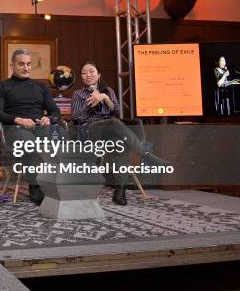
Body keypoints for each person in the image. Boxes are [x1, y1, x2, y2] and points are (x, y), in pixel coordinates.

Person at [71, 60, 169, 206]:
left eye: (91, 71)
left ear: (99, 74)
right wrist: (90, 101)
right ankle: (147, 155)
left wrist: (104, 98)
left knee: (119, 145)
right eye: (84, 73)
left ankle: (120, 192)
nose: (88, 75)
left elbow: (116, 110)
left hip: (111, 132)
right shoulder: (78, 94)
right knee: (114, 122)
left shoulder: (108, 91)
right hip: (91, 131)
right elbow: (76, 117)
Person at [0, 49, 61, 205]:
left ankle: (60, 184)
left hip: (39, 127)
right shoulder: (2, 87)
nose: (26, 68)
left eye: (29, 64)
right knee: (32, 146)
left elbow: (55, 111)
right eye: (21, 64)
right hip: (14, 129)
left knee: (60, 142)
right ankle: (35, 186)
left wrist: (48, 118)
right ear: (12, 65)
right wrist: (18, 120)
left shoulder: (40, 87)